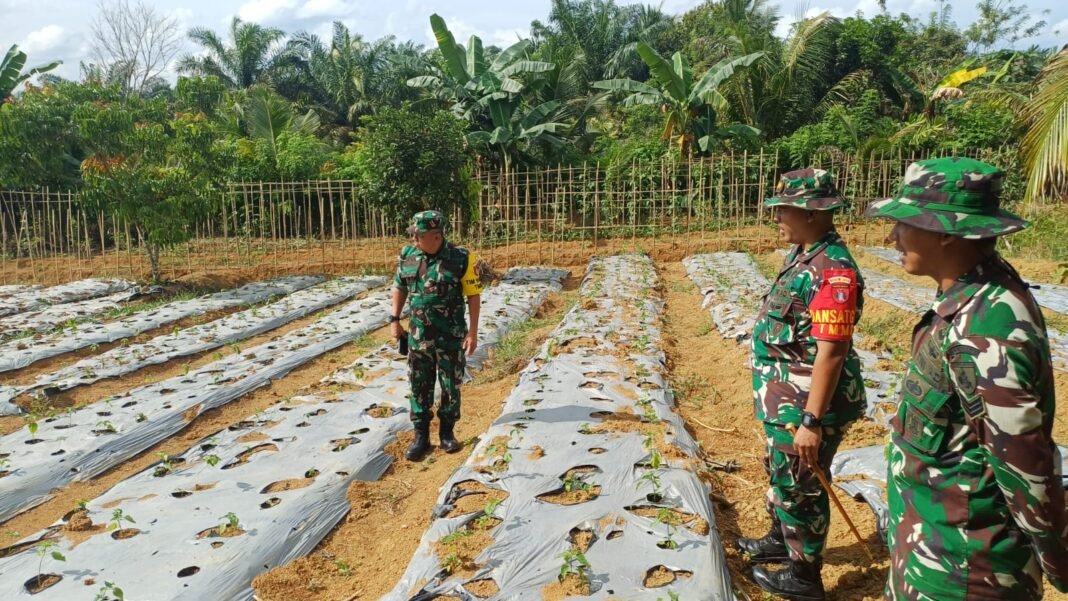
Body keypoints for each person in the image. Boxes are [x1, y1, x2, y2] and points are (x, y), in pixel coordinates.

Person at [866, 157, 1068, 600]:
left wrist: (1058, 561)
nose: (892, 237)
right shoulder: (965, 301)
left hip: (965, 569)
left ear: (945, 232)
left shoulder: (985, 329)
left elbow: (1024, 466)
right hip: (932, 545)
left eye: (905, 224)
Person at [740, 168, 867, 601]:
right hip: (785, 401)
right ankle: (780, 538)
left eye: (784, 210)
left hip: (809, 405)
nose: (776, 217)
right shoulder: (804, 253)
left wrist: (811, 420)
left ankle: (804, 578)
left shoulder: (833, 271)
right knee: (782, 474)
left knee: (802, 487)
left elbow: (831, 352)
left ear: (814, 214)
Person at [390, 210, 483, 461]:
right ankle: (421, 436)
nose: (414, 240)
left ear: (436, 236)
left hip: (450, 338)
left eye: (418, 236)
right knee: (419, 386)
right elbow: (400, 286)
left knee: (451, 386)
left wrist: (472, 333)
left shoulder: (461, 258)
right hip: (418, 337)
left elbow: (473, 296)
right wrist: (395, 319)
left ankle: (447, 433)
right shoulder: (408, 256)